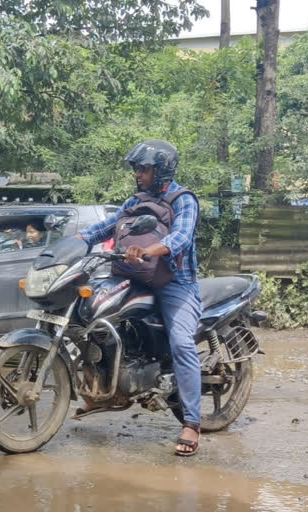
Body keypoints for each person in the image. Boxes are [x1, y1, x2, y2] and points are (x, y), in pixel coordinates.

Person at [76, 139, 202, 456]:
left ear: (161, 170)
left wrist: (148, 251)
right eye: (136, 169)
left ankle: (191, 422)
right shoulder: (134, 201)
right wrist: (73, 242)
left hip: (175, 282)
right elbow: (104, 228)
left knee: (183, 343)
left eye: (143, 169)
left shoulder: (184, 200)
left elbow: (181, 238)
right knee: (95, 319)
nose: (138, 174)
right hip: (134, 276)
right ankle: (105, 391)